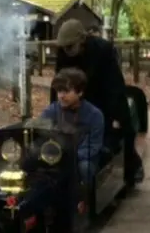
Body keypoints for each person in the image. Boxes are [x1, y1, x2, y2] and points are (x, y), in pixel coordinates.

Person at [53, 19, 144, 186]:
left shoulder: (103, 50)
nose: (67, 51)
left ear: (82, 40)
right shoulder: (63, 54)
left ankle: (131, 169)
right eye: (65, 48)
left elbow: (114, 85)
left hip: (103, 94)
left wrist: (116, 116)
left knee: (124, 130)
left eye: (71, 46)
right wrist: (56, 110)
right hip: (77, 96)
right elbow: (58, 83)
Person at [41, 68, 104, 184]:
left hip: (82, 158)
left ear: (80, 92)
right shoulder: (50, 112)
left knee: (84, 168)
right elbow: (41, 138)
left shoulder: (95, 115)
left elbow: (93, 146)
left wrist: (68, 157)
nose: (61, 96)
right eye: (59, 91)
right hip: (54, 157)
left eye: (66, 91)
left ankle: (84, 200)